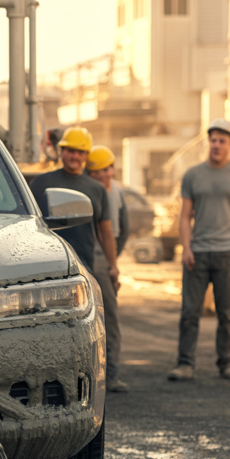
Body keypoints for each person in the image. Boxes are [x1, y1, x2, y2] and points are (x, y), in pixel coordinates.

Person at [29, 128, 121, 387]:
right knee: (47, 328)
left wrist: (114, 266)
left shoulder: (96, 189)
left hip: (84, 268)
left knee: (85, 329)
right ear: (61, 152)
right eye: (70, 150)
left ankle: (97, 378)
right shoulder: (41, 183)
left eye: (80, 152)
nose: (74, 156)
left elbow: (105, 231)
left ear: (86, 156)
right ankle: (46, 381)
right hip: (47, 269)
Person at [170, 118, 230, 382]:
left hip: (228, 252)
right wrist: (186, 248)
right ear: (209, 142)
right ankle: (185, 364)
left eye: (223, 141)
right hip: (197, 252)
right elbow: (184, 216)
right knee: (189, 312)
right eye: (214, 139)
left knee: (227, 313)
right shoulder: (193, 175)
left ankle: (227, 362)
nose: (217, 145)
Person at [86, 145, 130, 392]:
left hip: (104, 259)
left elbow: (123, 230)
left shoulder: (118, 193)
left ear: (113, 169)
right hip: (89, 255)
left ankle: (111, 374)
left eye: (106, 169)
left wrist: (112, 261)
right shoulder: (88, 190)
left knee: (109, 319)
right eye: (96, 171)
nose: (103, 174)